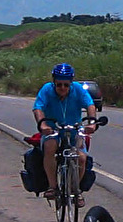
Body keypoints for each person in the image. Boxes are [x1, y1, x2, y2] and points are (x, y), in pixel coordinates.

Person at [32, 62, 96, 200]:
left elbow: (90, 105)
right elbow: (38, 108)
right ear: (54, 82)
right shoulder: (46, 90)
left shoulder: (78, 89)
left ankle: (76, 190)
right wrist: (42, 125)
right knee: (50, 148)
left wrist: (91, 123)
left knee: (81, 158)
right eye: (59, 84)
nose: (62, 88)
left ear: (71, 83)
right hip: (52, 130)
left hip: (74, 130)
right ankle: (52, 187)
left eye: (66, 85)